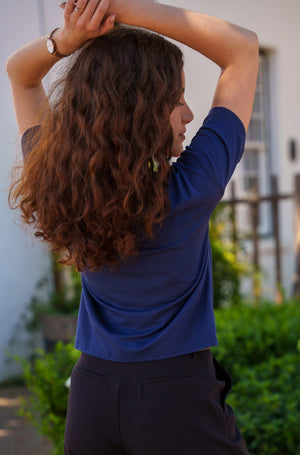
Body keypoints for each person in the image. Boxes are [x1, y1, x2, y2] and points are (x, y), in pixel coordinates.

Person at [7, 0, 259, 453]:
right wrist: (119, 8)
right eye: (176, 98)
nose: (188, 113)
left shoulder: (59, 188)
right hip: (176, 397)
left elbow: (20, 74)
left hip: (90, 395)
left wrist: (68, 37)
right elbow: (241, 49)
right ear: (140, 110)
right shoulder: (190, 187)